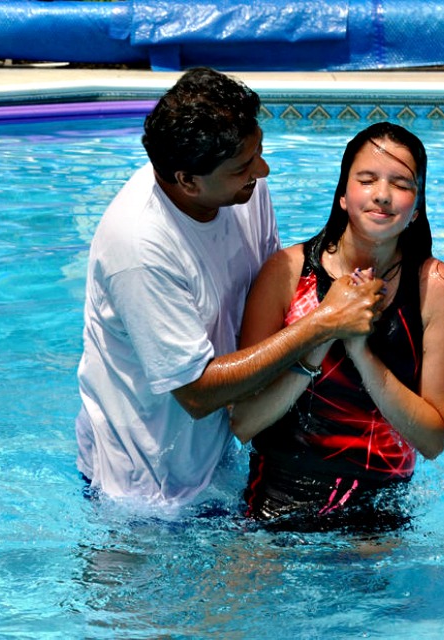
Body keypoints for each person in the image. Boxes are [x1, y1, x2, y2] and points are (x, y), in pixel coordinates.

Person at [75, 67, 385, 506]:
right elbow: (197, 393)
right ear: (187, 180)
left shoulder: (241, 186)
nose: (263, 168)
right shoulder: (139, 248)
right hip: (139, 482)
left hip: (217, 455)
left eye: (258, 151)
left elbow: (272, 289)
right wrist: (323, 323)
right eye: (245, 166)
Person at [230, 122, 444, 531]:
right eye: (367, 179)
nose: (382, 194)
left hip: (380, 510)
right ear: (342, 195)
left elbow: (432, 440)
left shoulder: (434, 287)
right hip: (277, 498)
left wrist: (360, 351)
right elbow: (244, 423)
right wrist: (321, 332)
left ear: (417, 206)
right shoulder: (287, 274)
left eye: (401, 183)